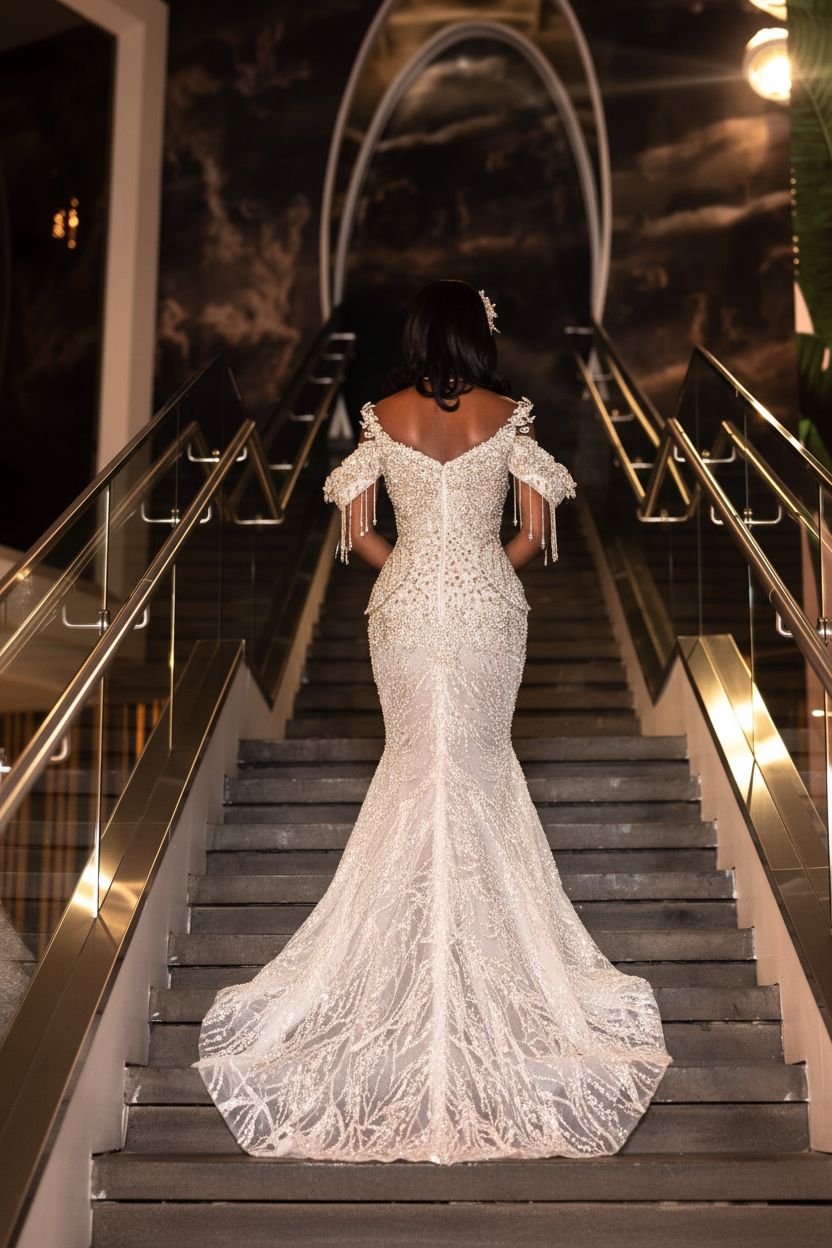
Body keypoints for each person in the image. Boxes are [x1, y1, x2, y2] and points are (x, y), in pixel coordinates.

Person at [196, 280, 671, 1163]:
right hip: (487, 611)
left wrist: (404, 561)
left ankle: (400, 996)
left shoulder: (382, 415)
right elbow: (535, 524)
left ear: (418, 335)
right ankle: (496, 994)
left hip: (407, 612)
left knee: (415, 772)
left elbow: (352, 515)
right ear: (479, 336)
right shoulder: (509, 416)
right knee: (480, 774)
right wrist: (482, 565)